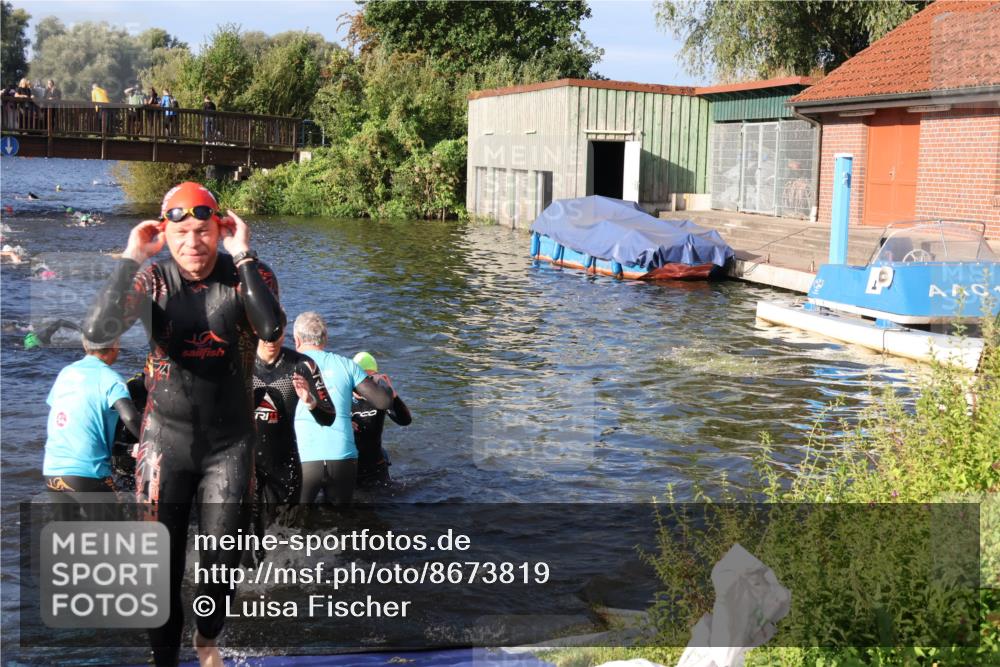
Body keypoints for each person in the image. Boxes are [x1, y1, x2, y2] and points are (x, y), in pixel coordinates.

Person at [82, 181, 284, 667]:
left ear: (221, 229)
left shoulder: (247, 275)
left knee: (220, 566)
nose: (193, 242)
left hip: (229, 445)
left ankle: (207, 640)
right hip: (163, 445)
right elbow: (97, 333)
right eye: (182, 233)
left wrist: (244, 254)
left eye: (203, 230)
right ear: (164, 235)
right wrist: (132, 255)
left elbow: (272, 329)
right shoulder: (152, 280)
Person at [292, 312, 392, 506]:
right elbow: (382, 402)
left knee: (297, 522)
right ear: (325, 339)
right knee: (342, 524)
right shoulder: (346, 365)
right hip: (343, 457)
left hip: (305, 458)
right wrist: (384, 385)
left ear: (296, 339)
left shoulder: (290, 365)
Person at [253, 324, 335, 529]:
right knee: (242, 536)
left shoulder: (302, 364)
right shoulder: (239, 361)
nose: (271, 342)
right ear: (254, 332)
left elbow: (329, 416)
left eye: (276, 335)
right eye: (265, 337)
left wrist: (310, 402)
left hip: (284, 464)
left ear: (285, 333)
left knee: (284, 537)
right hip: (246, 464)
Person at [43, 336, 142, 498]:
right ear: (115, 345)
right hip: (88, 473)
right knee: (119, 523)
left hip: (53, 471)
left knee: (70, 524)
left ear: (84, 344)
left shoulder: (66, 373)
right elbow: (130, 417)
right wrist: (148, 445)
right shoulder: (111, 378)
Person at [351, 352, 412, 489]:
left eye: (371, 378)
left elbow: (405, 420)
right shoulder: (342, 396)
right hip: (350, 466)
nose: (367, 384)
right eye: (363, 378)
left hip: (375, 465)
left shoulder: (380, 397)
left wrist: (393, 396)